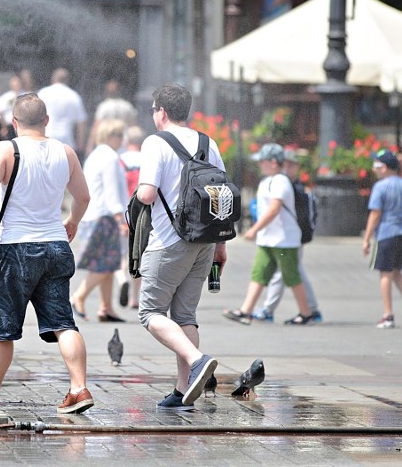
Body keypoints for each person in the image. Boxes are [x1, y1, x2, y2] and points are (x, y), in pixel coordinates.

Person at [0, 92, 94, 414]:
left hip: (15, 248)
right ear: (47, 121)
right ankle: (79, 388)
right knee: (63, 322)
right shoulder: (65, 151)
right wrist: (72, 222)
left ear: (14, 122)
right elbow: (83, 197)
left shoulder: (6, 149)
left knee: (3, 329)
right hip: (55, 246)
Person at [135, 83, 224, 410]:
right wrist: (220, 246)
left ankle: (198, 360)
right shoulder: (208, 142)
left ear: (161, 110)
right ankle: (184, 391)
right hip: (204, 241)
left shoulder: (155, 142)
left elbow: (146, 194)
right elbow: (221, 195)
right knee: (185, 314)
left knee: (150, 312)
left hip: (169, 241)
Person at [223, 143, 313, 326]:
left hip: (283, 240)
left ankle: (306, 313)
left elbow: (274, 209)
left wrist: (254, 229)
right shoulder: (268, 181)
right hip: (269, 239)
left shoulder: (280, 181)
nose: (259, 165)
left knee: (291, 276)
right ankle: (246, 310)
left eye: (262, 161)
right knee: (259, 273)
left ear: (273, 162)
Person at [251, 147, 323, 323]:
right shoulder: (283, 183)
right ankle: (310, 310)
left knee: (288, 274)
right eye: (287, 164)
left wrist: (255, 229)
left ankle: (303, 311)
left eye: (292, 165)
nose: (288, 168)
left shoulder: (290, 186)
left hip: (287, 239)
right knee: (291, 273)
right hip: (282, 239)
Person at [70, 119, 129, 323]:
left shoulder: (96, 155)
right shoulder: (110, 157)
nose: (122, 139)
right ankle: (79, 296)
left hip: (94, 215)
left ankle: (106, 307)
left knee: (107, 263)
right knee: (106, 264)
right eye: (119, 135)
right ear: (110, 136)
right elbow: (112, 190)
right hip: (105, 216)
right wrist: (120, 218)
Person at [362, 149, 402, 329]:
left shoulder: (380, 187)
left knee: (385, 274)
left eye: (376, 166)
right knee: (396, 270)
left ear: (385, 168)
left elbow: (375, 214)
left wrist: (366, 239)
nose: (374, 169)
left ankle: (388, 315)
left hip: (386, 233)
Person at [118, 125, 145, 310]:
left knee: (122, 253)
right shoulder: (147, 158)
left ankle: (121, 279)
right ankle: (134, 299)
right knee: (138, 254)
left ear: (127, 141)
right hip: (141, 212)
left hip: (123, 210)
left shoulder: (120, 160)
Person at [38, 68, 88, 157]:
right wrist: (80, 142)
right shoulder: (74, 96)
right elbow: (81, 122)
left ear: (53, 79)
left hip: (46, 137)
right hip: (66, 140)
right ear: (67, 81)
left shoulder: (43, 93)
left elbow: (35, 116)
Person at [85, 80, 138, 154]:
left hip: (107, 140)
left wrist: (89, 147)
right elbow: (134, 128)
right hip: (123, 141)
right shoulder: (128, 106)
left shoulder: (103, 106)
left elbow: (96, 127)